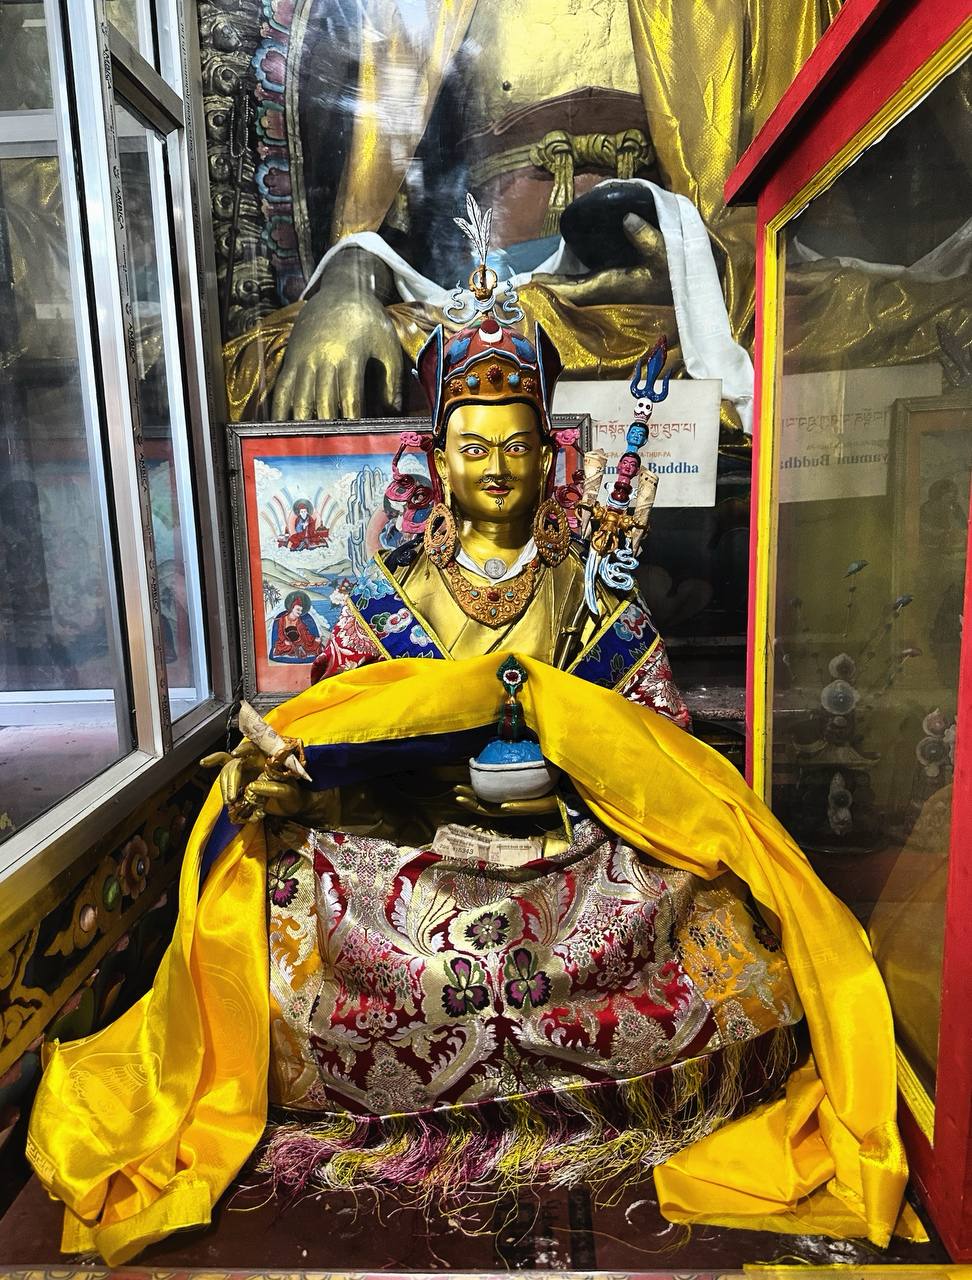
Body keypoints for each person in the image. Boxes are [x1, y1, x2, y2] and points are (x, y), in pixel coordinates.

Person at [26, 247, 920, 1265]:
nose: (497, 468)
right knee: (300, 919)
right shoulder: (382, 600)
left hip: (569, 854)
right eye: (474, 447)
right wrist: (288, 776)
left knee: (703, 921)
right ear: (437, 462)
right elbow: (335, 737)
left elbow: (660, 748)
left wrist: (588, 752)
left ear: (550, 457)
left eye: (517, 446)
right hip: (415, 852)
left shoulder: (591, 592)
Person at [268, 589, 324, 662]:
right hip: (287, 642)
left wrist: (314, 639)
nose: (300, 612)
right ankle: (296, 650)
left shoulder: (299, 621)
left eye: (301, 611)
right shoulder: (282, 619)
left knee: (313, 644)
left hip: (300, 641)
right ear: (292, 608)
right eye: (298, 610)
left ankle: (299, 649)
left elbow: (305, 634)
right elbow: (280, 633)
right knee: (286, 646)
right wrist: (284, 640)